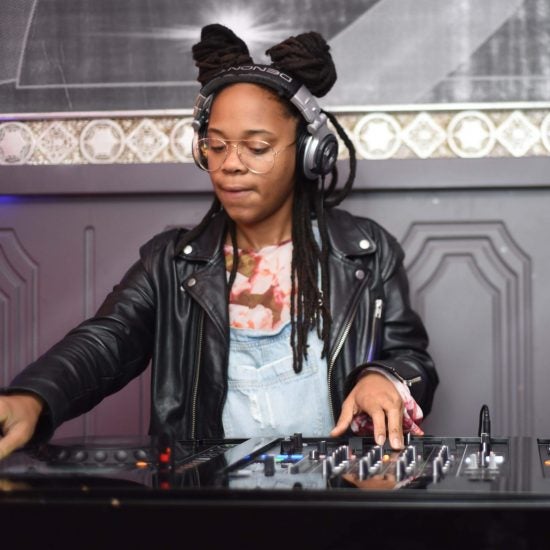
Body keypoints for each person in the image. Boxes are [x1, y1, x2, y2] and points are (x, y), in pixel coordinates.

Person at [0, 24, 438, 461]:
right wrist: (34, 398)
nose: (230, 165)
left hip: (333, 507)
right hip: (210, 506)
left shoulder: (366, 251)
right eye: (216, 145)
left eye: (257, 147)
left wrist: (386, 376)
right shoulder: (171, 263)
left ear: (310, 154)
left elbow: (410, 356)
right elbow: (105, 342)